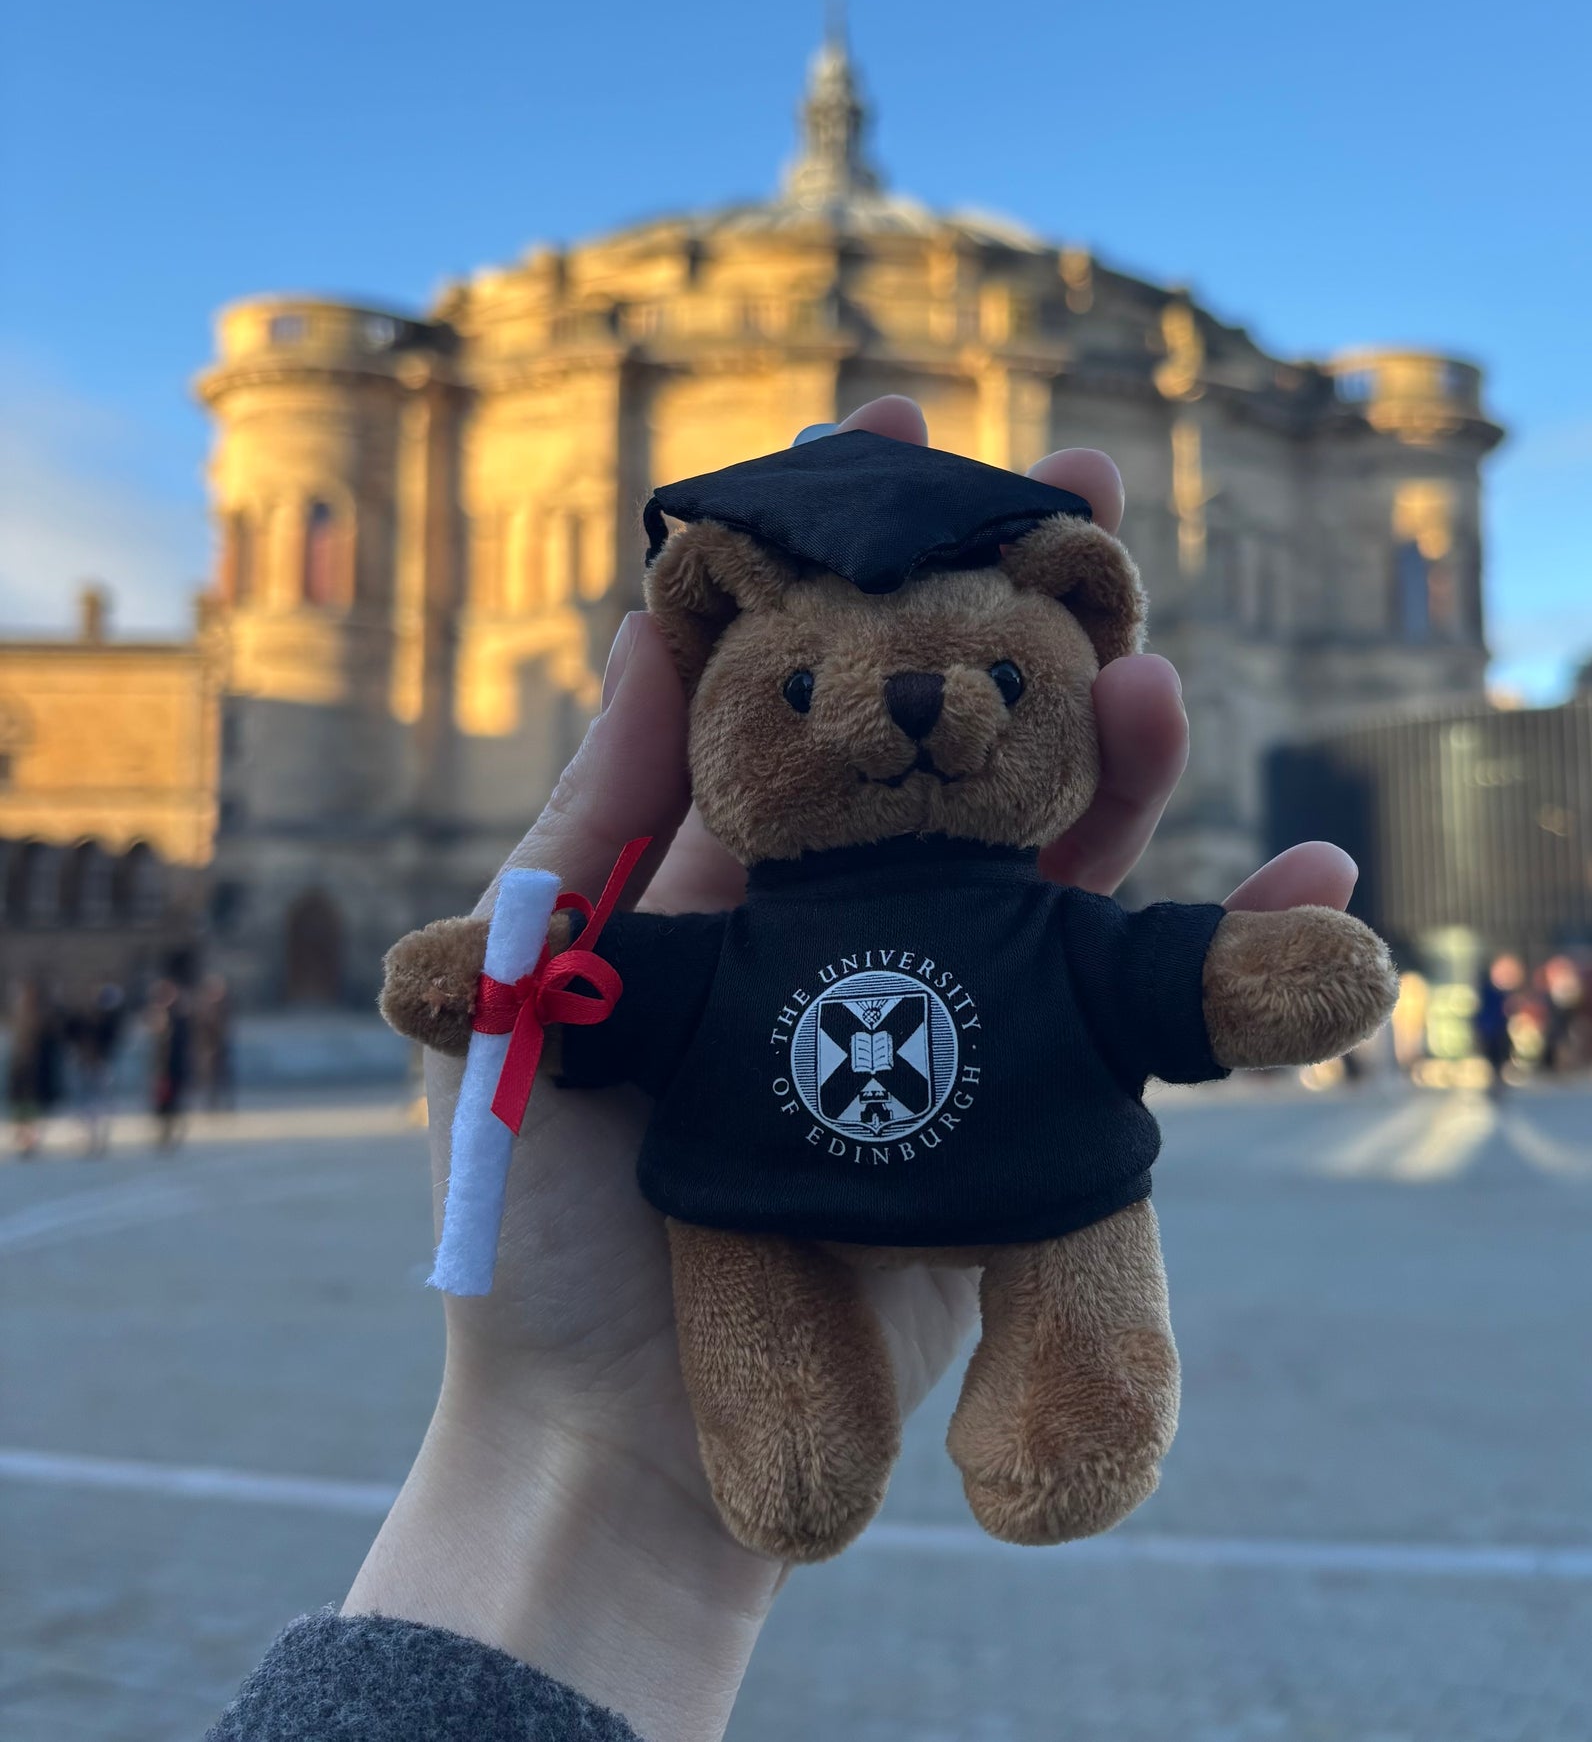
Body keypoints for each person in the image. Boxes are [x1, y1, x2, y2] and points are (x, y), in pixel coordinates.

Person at [206, 399, 1370, 1742]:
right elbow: (600, 995)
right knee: (780, 1301)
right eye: (801, 686)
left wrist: (1250, 974)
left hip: (979, 1182)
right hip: (786, 1198)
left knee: (1056, 1283)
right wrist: (512, 977)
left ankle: (1049, 1396)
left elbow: (1172, 974)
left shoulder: (1042, 927)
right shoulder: (741, 935)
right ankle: (798, 1424)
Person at [67, 981, 126, 1157]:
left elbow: (112, 1041)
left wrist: (99, 1055)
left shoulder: (106, 1022)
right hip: (83, 1065)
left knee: (101, 1104)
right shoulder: (79, 1020)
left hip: (101, 1065)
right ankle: (87, 1137)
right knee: (84, 1105)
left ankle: (99, 1137)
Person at [7, 977, 62, 1158]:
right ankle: (23, 1137)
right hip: (21, 1065)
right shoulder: (18, 1014)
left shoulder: (40, 1016)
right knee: (20, 1105)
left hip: (34, 1067)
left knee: (32, 1104)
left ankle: (30, 1139)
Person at [148, 978, 192, 1153]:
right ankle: (163, 1133)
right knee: (161, 1103)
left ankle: (171, 1132)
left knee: (174, 1102)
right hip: (161, 1069)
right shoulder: (158, 1017)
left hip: (175, 1067)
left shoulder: (179, 1018)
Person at [1474, 952, 1523, 1100]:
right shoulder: (1493, 993)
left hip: (1494, 1031)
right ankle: (1496, 1084)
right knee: (1496, 1059)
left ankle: (1497, 1083)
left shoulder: (1490, 992)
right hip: (1493, 1031)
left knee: (1497, 1059)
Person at [196, 974, 236, 1111]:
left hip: (221, 1045)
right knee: (209, 1078)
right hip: (207, 1046)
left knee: (224, 1075)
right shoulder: (204, 1005)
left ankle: (227, 1103)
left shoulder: (224, 1005)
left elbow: (225, 1025)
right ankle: (211, 1103)